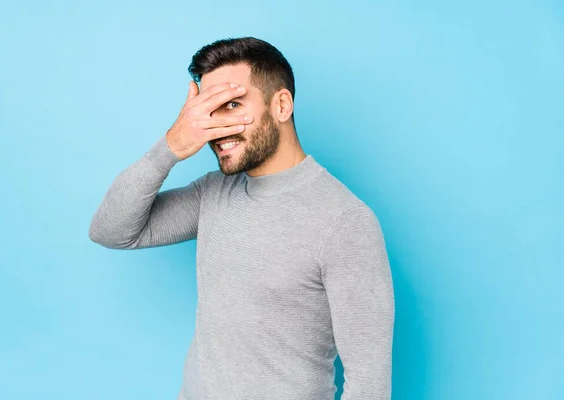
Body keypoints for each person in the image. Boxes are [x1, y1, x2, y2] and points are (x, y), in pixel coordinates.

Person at [89, 36, 395, 400]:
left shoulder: (345, 221)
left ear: (281, 105)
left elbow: (368, 383)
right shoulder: (212, 193)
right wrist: (170, 147)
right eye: (209, 110)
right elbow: (111, 231)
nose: (217, 128)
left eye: (232, 105)